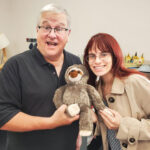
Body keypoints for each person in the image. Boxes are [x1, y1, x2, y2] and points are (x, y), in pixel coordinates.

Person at [0, 3, 82, 150]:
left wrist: (78, 134)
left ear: (68, 34)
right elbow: (3, 117)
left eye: (59, 28)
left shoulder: (75, 63)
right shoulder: (15, 65)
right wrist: (51, 122)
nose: (52, 34)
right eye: (46, 27)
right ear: (37, 30)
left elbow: (79, 102)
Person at [83, 33, 150, 150]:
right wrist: (95, 121)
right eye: (92, 56)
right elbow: (108, 130)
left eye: (103, 54)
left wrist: (122, 124)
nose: (97, 61)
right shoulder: (97, 87)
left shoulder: (135, 82)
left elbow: (118, 124)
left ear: (114, 57)